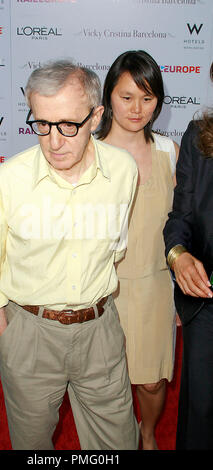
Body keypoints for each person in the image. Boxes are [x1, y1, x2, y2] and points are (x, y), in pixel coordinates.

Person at [0, 59, 140, 450]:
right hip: (30, 334)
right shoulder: (6, 181)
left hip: (101, 333)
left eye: (67, 125)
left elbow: (114, 251)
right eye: (42, 125)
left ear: (96, 117)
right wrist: (8, 340)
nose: (54, 141)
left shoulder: (123, 171)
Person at [97, 50, 179, 450]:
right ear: (109, 96)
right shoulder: (87, 154)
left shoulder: (169, 151)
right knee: (104, 384)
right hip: (99, 288)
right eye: (126, 96)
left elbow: (183, 224)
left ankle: (146, 433)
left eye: (147, 98)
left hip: (154, 285)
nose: (137, 108)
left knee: (151, 379)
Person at [163, 63, 213, 450]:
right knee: (201, 409)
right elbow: (179, 217)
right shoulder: (199, 138)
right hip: (206, 299)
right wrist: (178, 255)